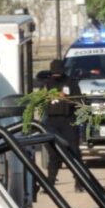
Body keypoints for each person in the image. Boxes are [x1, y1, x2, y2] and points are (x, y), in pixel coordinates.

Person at [41, 58, 84, 186]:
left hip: (68, 120)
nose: (56, 75)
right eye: (53, 73)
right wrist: (47, 97)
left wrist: (67, 98)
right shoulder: (47, 84)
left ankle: (80, 181)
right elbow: (41, 101)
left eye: (58, 72)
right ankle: (51, 181)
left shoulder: (71, 83)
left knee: (74, 151)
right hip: (52, 121)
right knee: (53, 153)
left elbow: (79, 101)